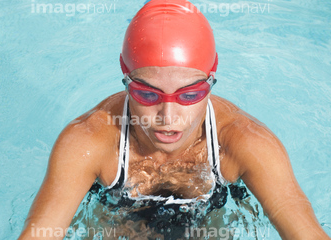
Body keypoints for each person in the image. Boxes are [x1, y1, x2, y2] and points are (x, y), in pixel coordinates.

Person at [18, 0, 330, 239]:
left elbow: (304, 231)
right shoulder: (89, 142)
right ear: (125, 75)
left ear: (211, 77)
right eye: (148, 95)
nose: (168, 118)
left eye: (190, 95)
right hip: (118, 219)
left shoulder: (244, 141)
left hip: (210, 219)